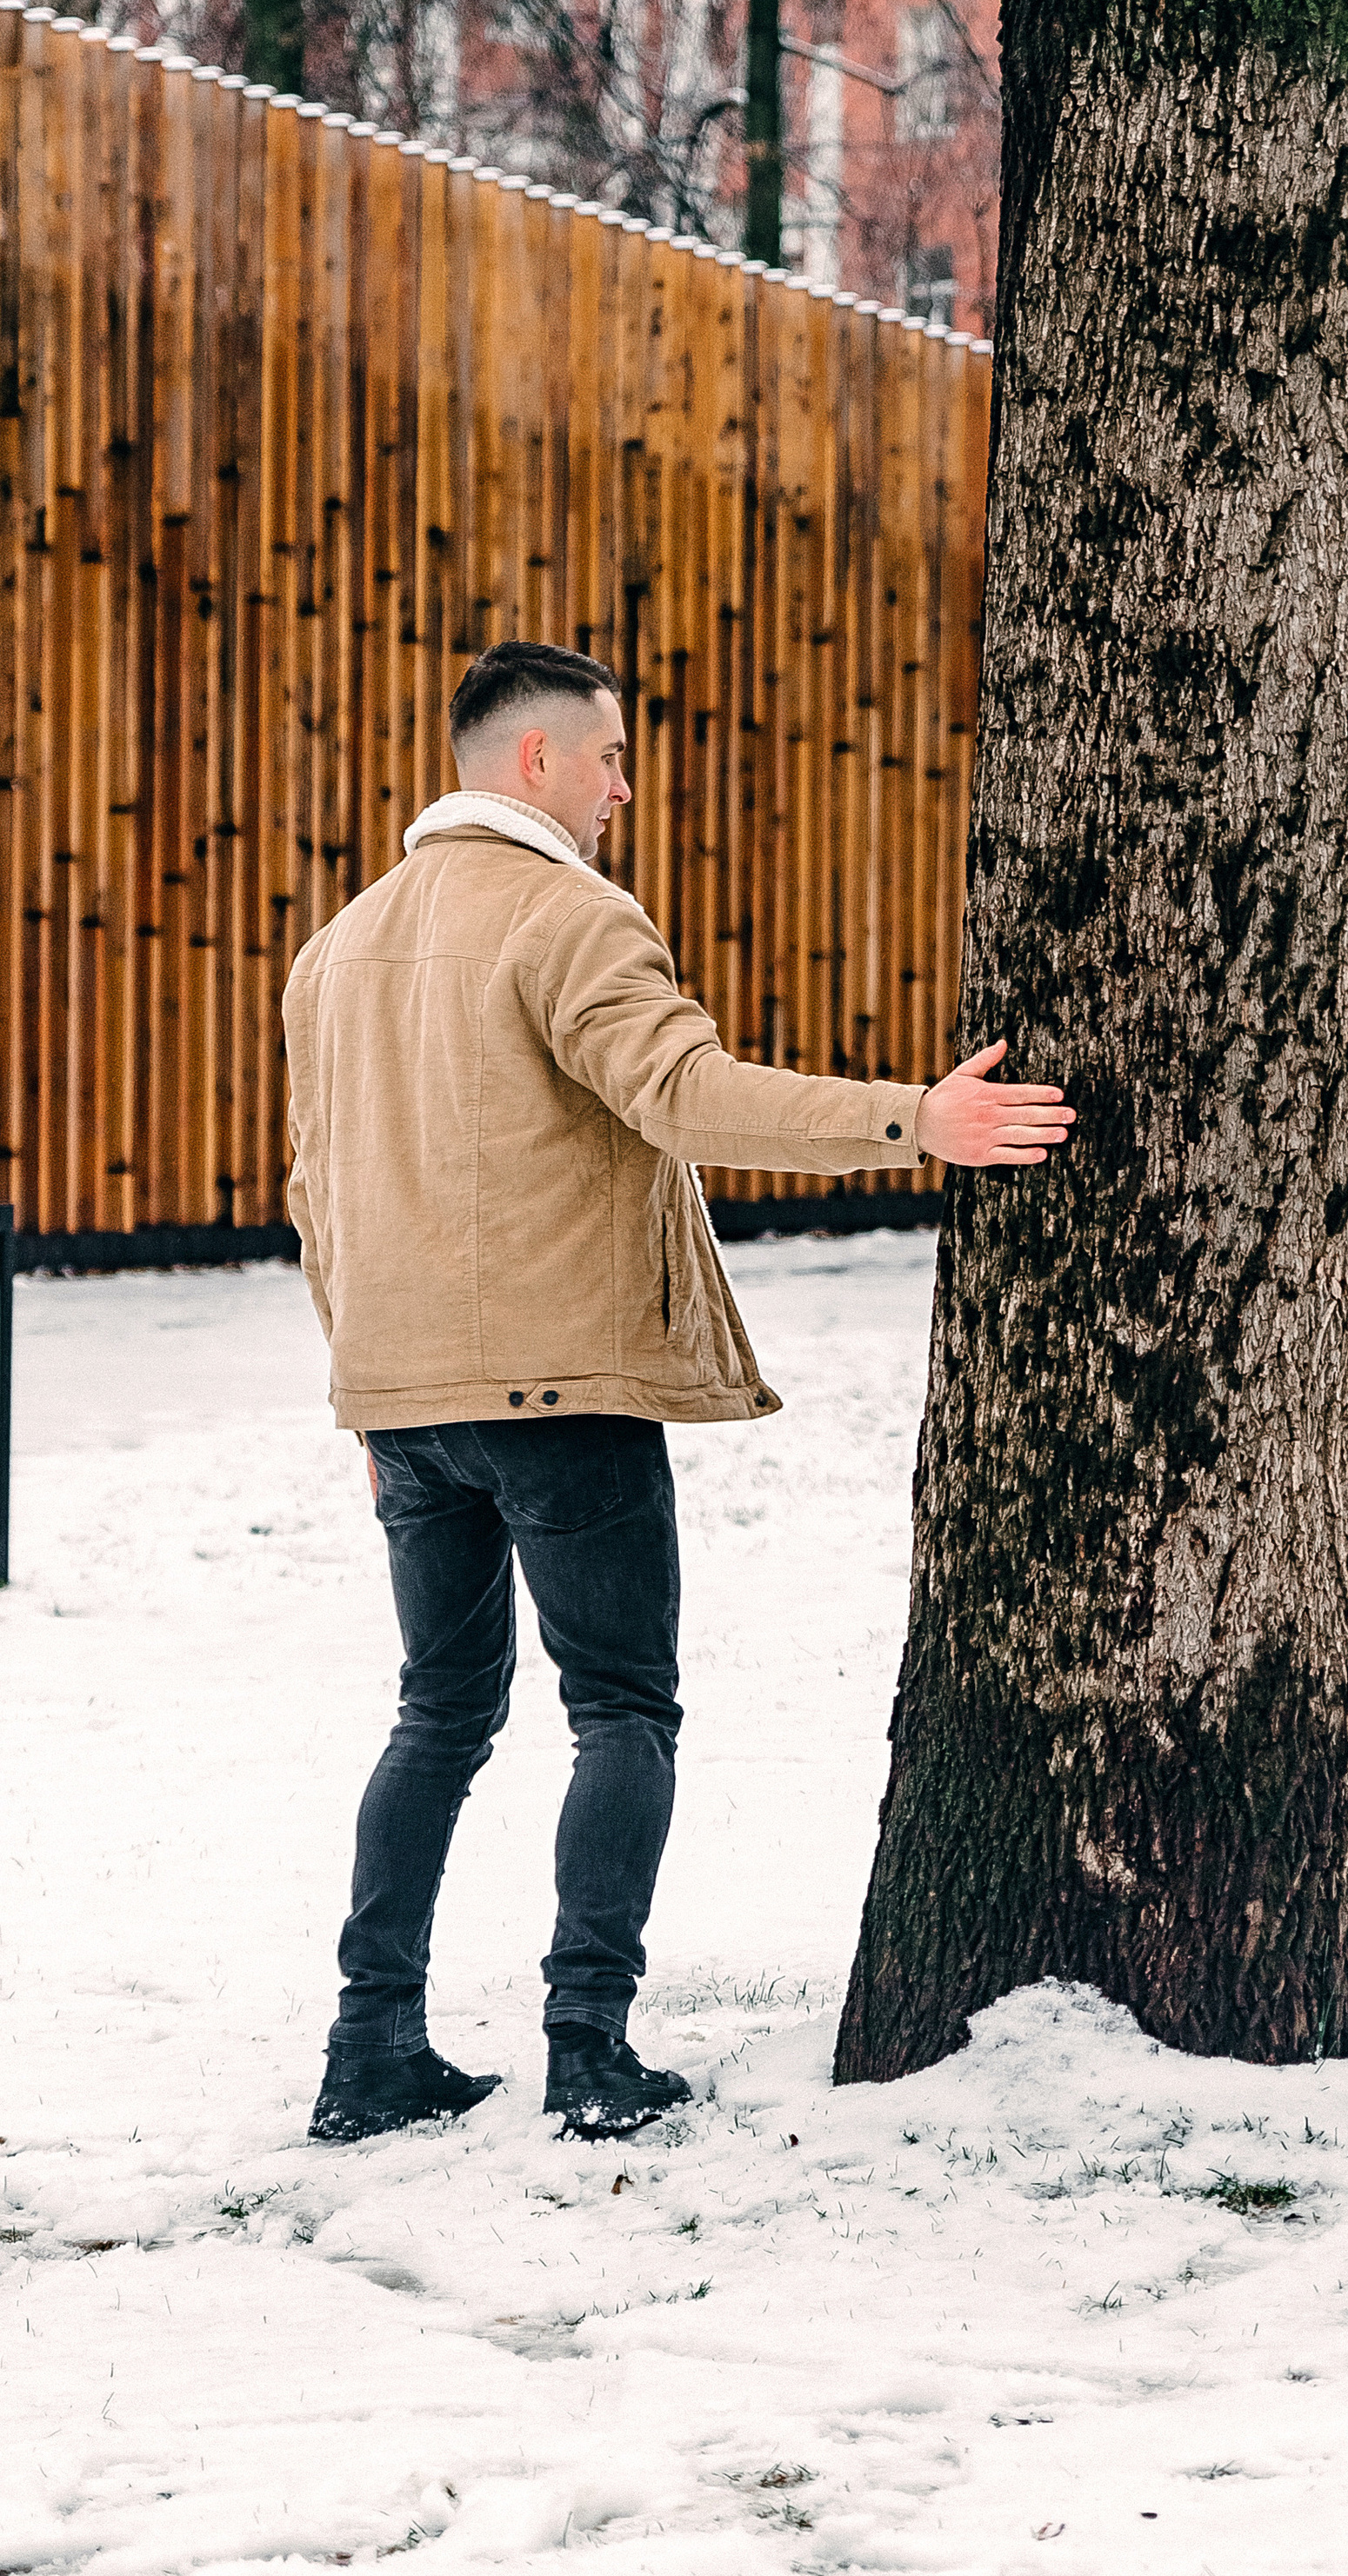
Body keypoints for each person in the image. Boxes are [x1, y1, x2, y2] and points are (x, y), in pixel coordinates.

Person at [284, 637, 1073, 2145]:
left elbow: (315, 1192)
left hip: (405, 1404)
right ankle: (589, 2049)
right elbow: (688, 1094)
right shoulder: (571, 919)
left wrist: (367, 1402)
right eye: (613, 758)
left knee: (439, 1715)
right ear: (536, 763)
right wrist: (919, 1118)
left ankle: (368, 2048)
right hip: (564, 1393)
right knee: (621, 1708)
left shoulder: (340, 947)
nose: (625, 788)